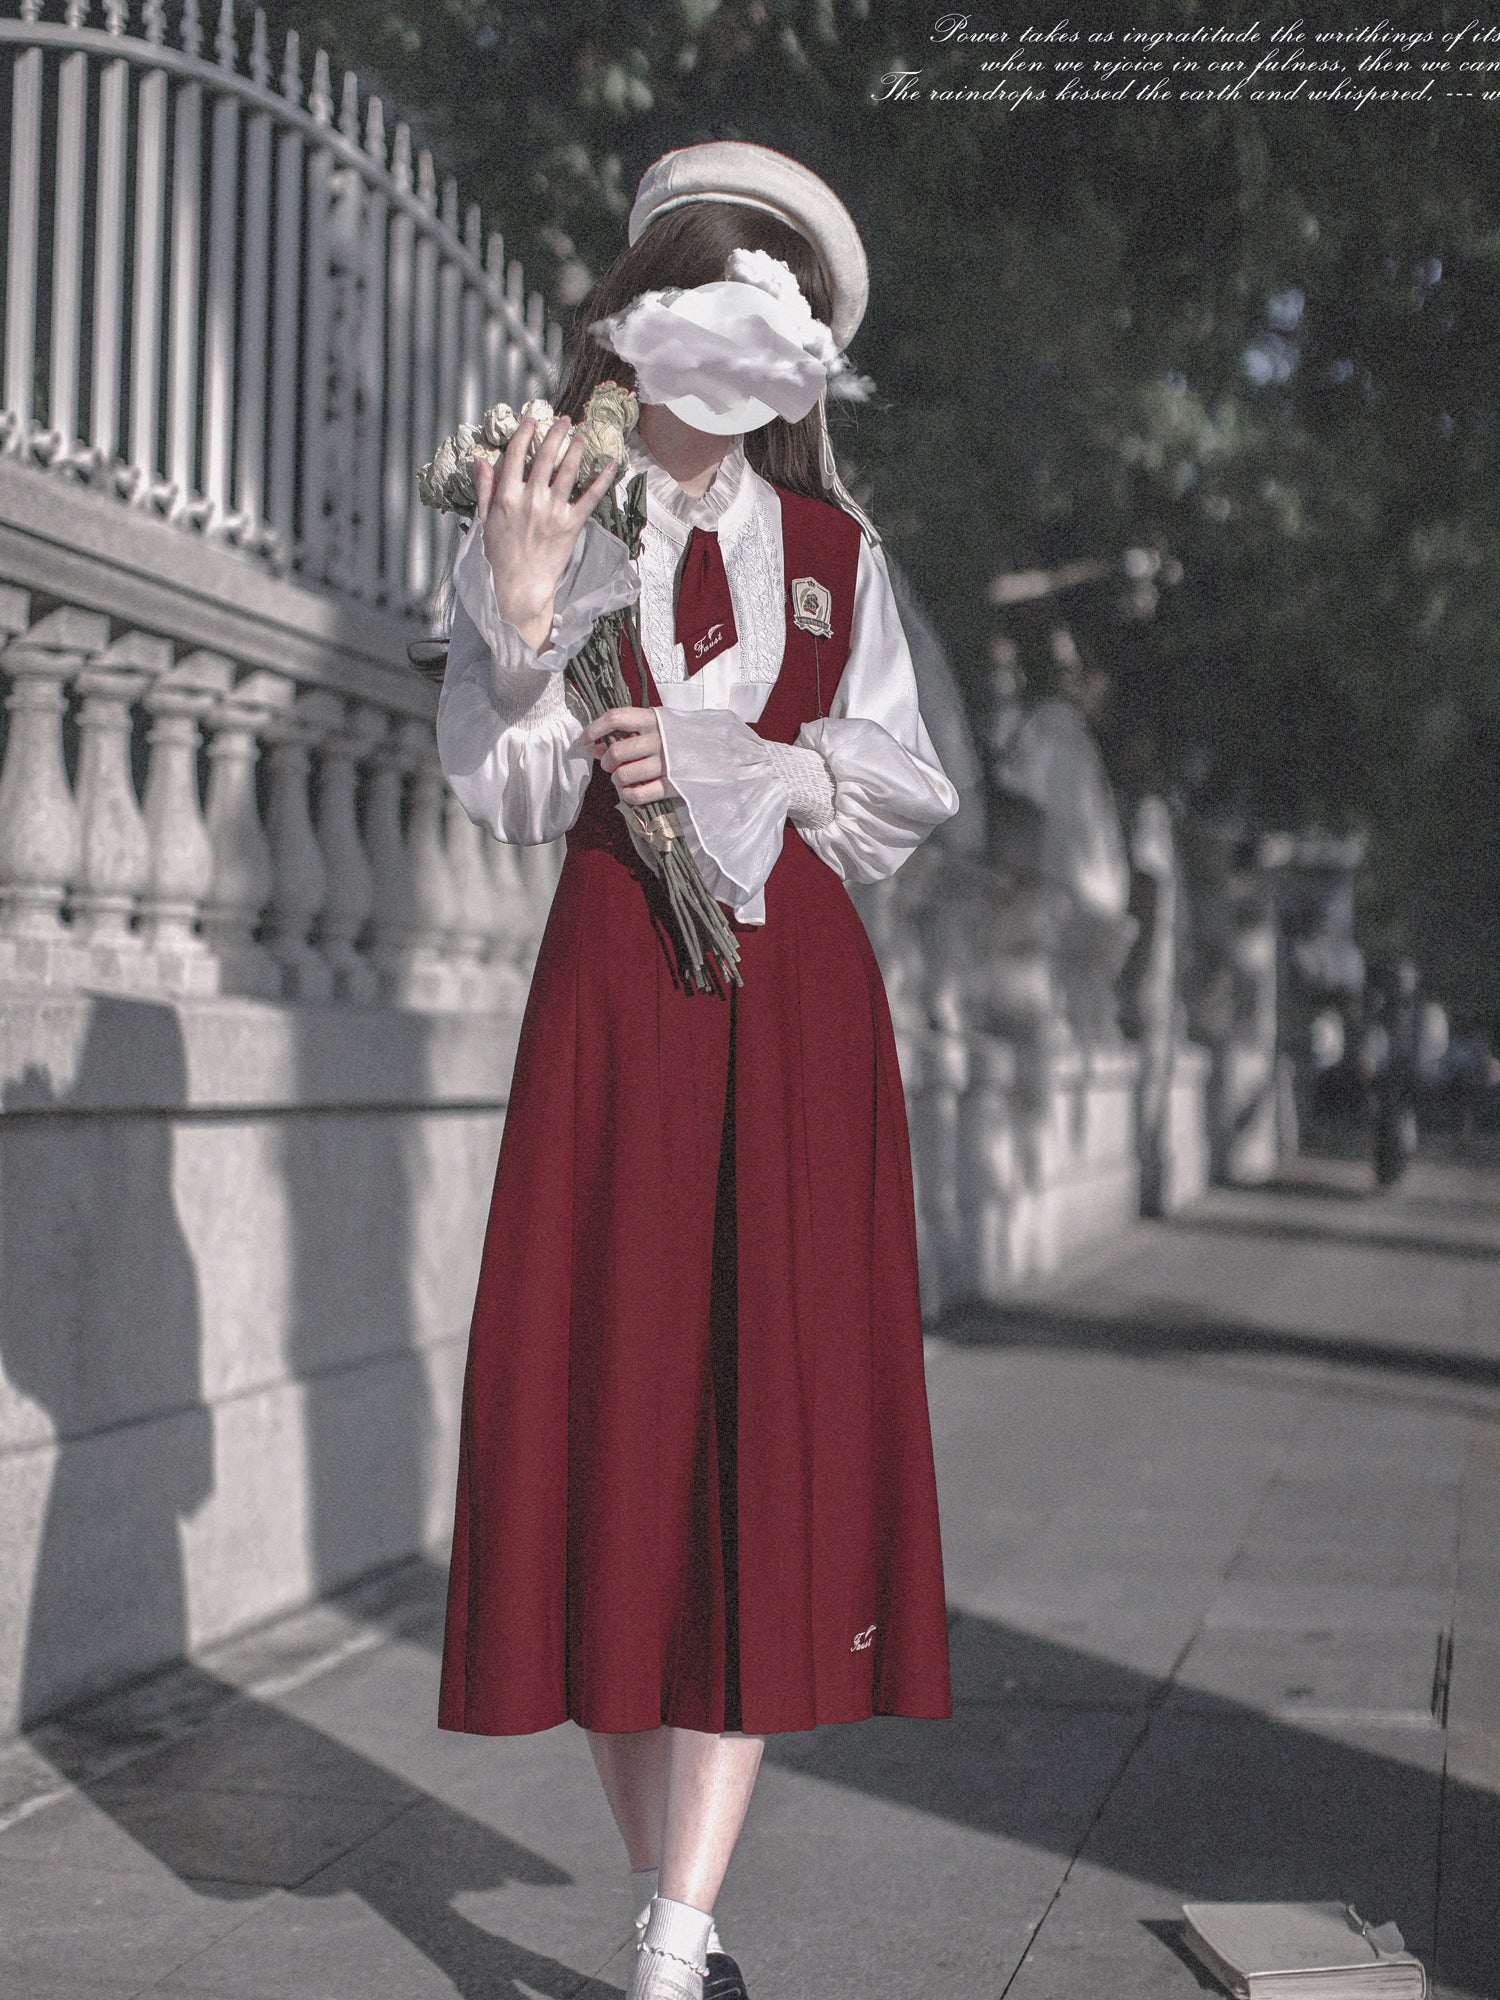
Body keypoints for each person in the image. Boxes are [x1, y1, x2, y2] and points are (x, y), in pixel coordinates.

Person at [434, 141, 957, 2000]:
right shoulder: (545, 508)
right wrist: (515, 624)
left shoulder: (836, 554)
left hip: (797, 1014)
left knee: (754, 1429)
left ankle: (670, 1943)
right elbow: (500, 791)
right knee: (614, 1428)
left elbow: (892, 789)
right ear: (634, 326)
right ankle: (683, 1919)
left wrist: (745, 771)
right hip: (611, 1007)